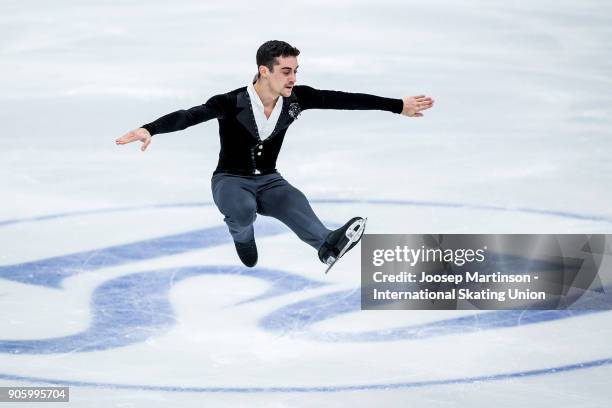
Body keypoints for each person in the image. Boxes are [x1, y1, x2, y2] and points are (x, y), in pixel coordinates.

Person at [116, 40, 434, 268]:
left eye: (295, 70)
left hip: (270, 181)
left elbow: (345, 99)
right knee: (242, 211)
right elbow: (188, 116)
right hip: (230, 181)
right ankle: (242, 238)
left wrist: (397, 106)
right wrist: (150, 128)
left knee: (295, 202)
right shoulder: (231, 101)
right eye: (286, 71)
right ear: (264, 71)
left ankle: (327, 246)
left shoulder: (296, 99)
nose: (293, 78)